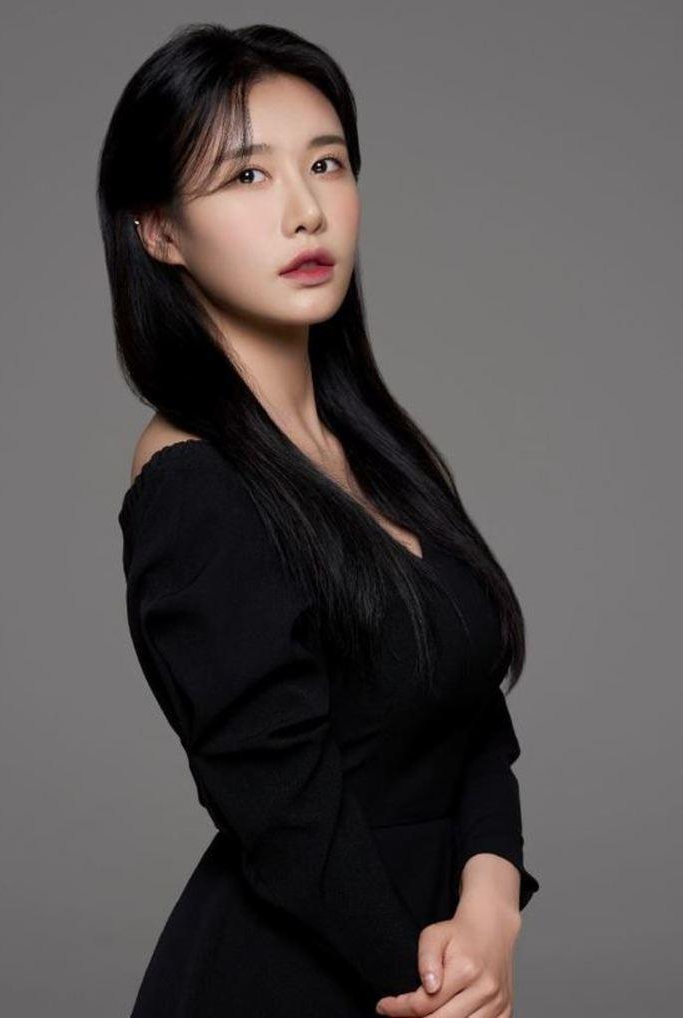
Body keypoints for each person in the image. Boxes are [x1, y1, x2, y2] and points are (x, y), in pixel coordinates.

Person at [97, 21, 540, 1018]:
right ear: (159, 230)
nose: (306, 211)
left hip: (437, 967)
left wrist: (492, 906)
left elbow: (468, 712)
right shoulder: (193, 487)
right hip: (298, 983)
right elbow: (286, 810)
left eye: (327, 164)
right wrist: (432, 988)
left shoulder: (374, 447)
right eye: (246, 176)